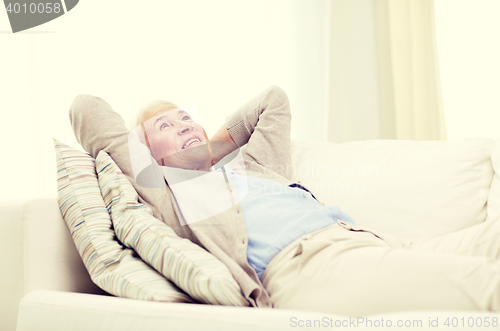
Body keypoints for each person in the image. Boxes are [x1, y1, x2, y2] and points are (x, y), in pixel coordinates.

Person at [70, 85, 500, 316]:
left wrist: (209, 149)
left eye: (187, 117)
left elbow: (272, 101)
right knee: (486, 284)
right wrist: (164, 162)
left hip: (372, 243)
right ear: (145, 151)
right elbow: (85, 109)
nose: (184, 123)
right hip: (309, 268)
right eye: (165, 125)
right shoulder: (165, 191)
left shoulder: (253, 167)